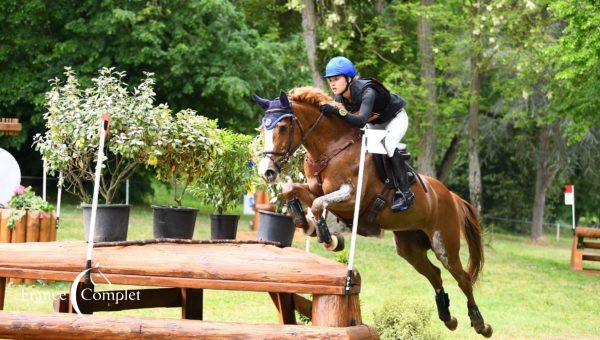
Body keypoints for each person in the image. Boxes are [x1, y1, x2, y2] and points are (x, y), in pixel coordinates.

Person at [319, 56, 414, 211]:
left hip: (395, 119)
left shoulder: (367, 91)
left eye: (336, 79)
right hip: (375, 123)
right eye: (330, 80)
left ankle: (406, 192)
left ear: (349, 79)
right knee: (364, 146)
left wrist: (337, 111)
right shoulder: (340, 98)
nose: (332, 84)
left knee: (388, 145)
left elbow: (361, 120)